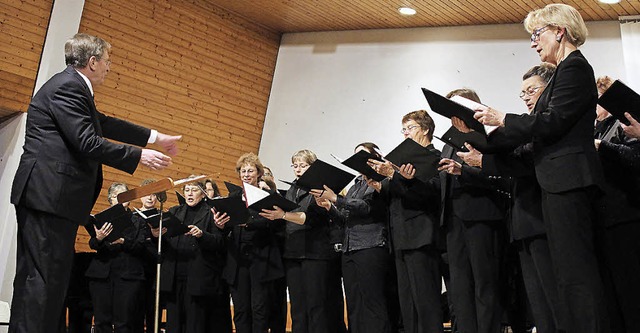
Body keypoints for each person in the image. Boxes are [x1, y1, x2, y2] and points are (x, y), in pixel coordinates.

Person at [8, 33, 181, 333]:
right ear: (92, 62)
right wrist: (139, 156)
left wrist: (155, 137)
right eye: (107, 61)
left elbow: (104, 123)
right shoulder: (67, 88)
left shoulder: (72, 87)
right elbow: (87, 141)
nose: (109, 67)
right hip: (47, 196)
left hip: (50, 198)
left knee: (47, 280)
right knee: (43, 280)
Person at [473, 4, 609, 332]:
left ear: (559, 31)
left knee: (577, 273)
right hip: (557, 183)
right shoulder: (563, 72)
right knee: (566, 274)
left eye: (537, 34)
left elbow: (551, 122)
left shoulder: (575, 67)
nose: (533, 44)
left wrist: (503, 119)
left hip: (570, 181)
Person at [456, 64, 566, 333]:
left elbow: (525, 162)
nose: (527, 96)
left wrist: (482, 161)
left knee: (555, 298)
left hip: (543, 218)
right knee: (538, 301)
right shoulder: (526, 125)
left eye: (532, 90)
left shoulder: (546, 124)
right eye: (523, 93)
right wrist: (472, 136)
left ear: (549, 90)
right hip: (522, 221)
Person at [438, 89, 507, 333]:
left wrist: (463, 170)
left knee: (484, 284)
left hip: (481, 216)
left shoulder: (489, 135)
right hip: (454, 220)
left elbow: (500, 175)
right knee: (460, 288)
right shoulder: (448, 140)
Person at [368, 110, 443, 333]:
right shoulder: (402, 162)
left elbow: (430, 195)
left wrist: (395, 175)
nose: (405, 134)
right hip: (400, 236)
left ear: (425, 129)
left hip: (421, 235)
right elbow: (397, 196)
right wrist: (382, 183)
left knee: (426, 301)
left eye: (410, 128)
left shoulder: (433, 157)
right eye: (404, 130)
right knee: (408, 303)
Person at [311, 142, 391, 333]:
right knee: (354, 303)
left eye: (363, 155)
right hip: (349, 247)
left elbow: (366, 208)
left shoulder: (379, 180)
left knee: (373, 301)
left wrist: (336, 199)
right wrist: (330, 207)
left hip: (370, 245)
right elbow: (344, 219)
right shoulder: (356, 184)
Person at [260, 150, 340, 333]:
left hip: (315, 252)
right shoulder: (292, 189)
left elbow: (312, 217)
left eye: (303, 165)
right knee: (297, 306)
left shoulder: (319, 188)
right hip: (293, 251)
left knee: (316, 305)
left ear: (313, 167)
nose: (298, 169)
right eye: (295, 165)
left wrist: (284, 215)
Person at [213, 153, 285, 333]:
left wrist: (249, 223)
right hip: (237, 260)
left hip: (261, 258)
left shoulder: (267, 196)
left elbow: (274, 222)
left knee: (259, 309)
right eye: (243, 171)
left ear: (258, 173)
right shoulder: (234, 195)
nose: (246, 174)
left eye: (250, 170)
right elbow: (227, 226)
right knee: (241, 308)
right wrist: (220, 224)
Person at [593, 77, 640, 333]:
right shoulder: (597, 129)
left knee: (630, 289)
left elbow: (635, 161)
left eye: (600, 100)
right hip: (604, 218)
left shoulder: (625, 126)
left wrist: (603, 148)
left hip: (626, 216)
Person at [158, 180, 225, 333]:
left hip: (198, 275)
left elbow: (219, 242)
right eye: (187, 189)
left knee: (195, 323)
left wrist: (202, 235)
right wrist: (157, 235)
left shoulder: (211, 212)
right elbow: (165, 241)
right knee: (173, 323)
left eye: (194, 190)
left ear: (203, 194)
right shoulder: (175, 211)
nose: (189, 193)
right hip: (174, 275)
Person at [85, 182, 147, 333]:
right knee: (101, 320)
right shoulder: (101, 219)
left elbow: (141, 246)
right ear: (110, 199)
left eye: (122, 196)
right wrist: (99, 238)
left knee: (123, 322)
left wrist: (123, 241)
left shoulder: (138, 221)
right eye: (115, 196)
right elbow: (93, 244)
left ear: (128, 199)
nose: (119, 199)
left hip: (128, 276)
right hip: (102, 274)